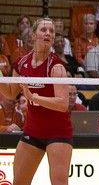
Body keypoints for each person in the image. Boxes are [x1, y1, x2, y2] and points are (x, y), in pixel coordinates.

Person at [0, 18, 71, 185]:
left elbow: (63, 104)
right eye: (43, 30)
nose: (48, 33)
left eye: (51, 31)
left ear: (53, 38)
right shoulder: (22, 63)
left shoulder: (56, 66)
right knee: (19, 182)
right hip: (33, 131)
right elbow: (10, 94)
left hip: (58, 132)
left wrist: (34, 98)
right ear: (33, 35)